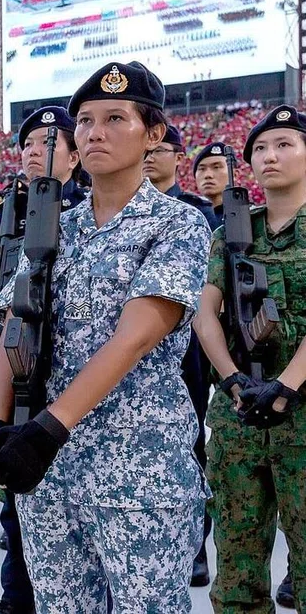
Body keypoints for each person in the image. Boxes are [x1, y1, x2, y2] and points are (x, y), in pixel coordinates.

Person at [0, 61, 211, 612]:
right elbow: (15, 322)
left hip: (138, 472)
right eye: (85, 121)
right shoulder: (54, 227)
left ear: (153, 134)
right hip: (49, 474)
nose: (94, 133)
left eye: (115, 119)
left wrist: (46, 430)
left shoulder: (177, 224)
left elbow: (135, 338)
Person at [0, 105, 84, 614]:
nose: (35, 152)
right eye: (28, 145)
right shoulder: (10, 211)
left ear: (75, 156)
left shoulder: (86, 208)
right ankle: (16, 595)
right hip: (15, 359)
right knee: (16, 484)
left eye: (48, 142)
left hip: (70, 369)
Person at [192, 104, 306, 614]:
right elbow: (205, 314)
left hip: (300, 412)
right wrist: (233, 378)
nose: (269, 156)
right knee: (237, 563)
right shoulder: (233, 232)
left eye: (284, 145)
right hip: (240, 413)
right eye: (259, 148)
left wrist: (286, 386)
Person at [144, 122, 220, 586]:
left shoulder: (196, 213)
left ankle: (195, 545)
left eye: (162, 150)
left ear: (177, 157)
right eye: (148, 151)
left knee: (188, 443)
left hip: (186, 344)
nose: (151, 157)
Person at [193, 142, 229, 229]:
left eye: (216, 167)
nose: (208, 175)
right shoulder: (189, 216)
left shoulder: (248, 215)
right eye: (202, 169)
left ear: (235, 174)